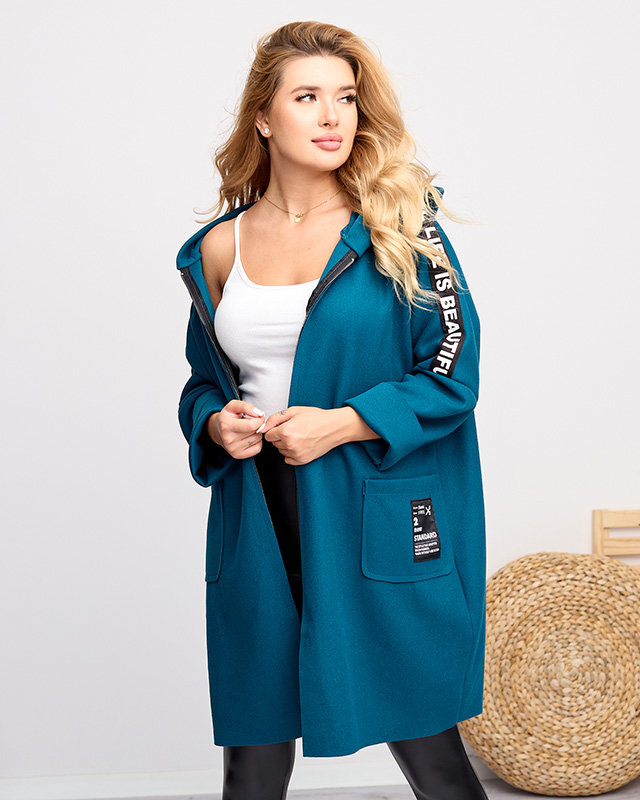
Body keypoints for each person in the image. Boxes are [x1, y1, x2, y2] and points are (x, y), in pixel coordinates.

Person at [177, 20, 489, 800]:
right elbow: (202, 383)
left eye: (346, 98)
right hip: (256, 513)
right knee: (252, 752)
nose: (332, 117)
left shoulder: (401, 229)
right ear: (263, 117)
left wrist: (341, 422)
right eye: (307, 97)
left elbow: (452, 372)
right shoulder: (218, 247)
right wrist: (215, 423)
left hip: (370, 506)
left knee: (428, 744)